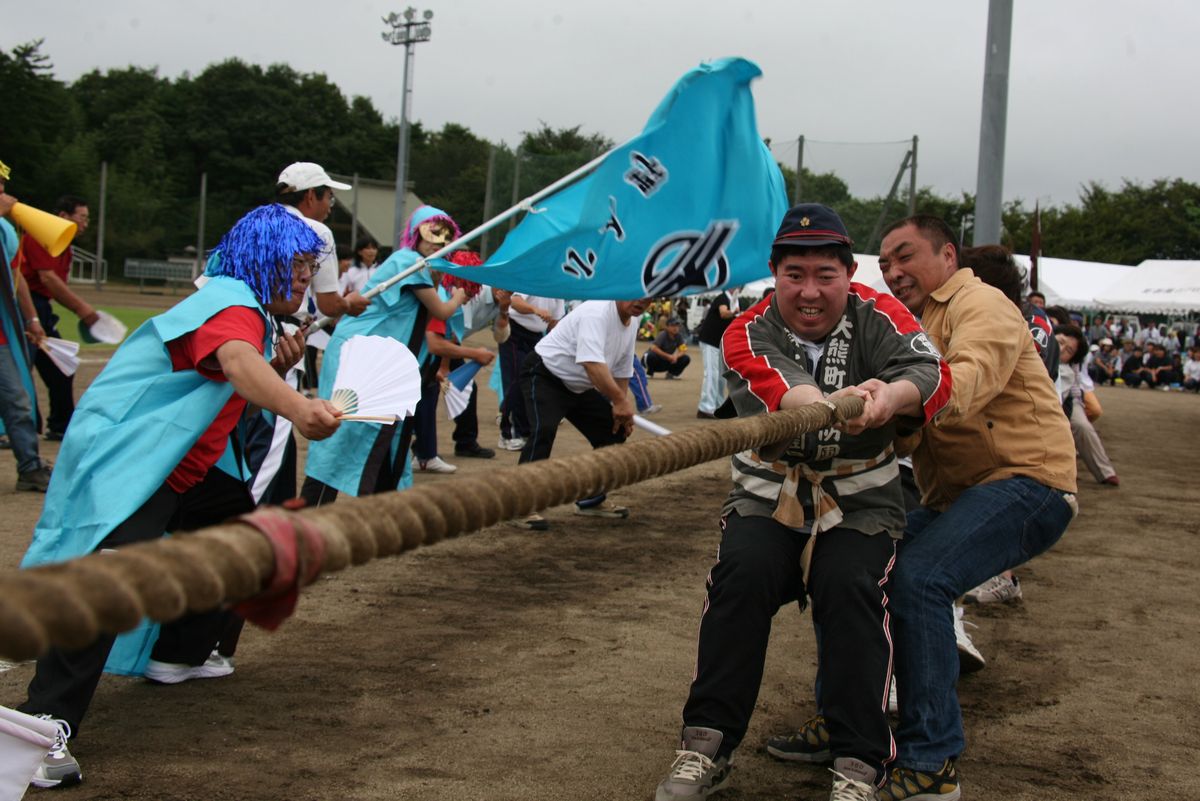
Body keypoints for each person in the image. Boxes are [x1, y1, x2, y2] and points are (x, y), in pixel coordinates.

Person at [16, 203, 343, 788]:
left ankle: (178, 652)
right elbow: (235, 361)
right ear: (263, 261)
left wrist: (274, 361)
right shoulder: (232, 306)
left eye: (306, 266)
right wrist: (299, 407)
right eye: (295, 265)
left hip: (182, 467)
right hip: (134, 464)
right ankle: (42, 730)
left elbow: (227, 367)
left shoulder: (239, 304)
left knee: (243, 538)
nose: (303, 278)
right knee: (100, 585)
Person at [655, 204, 951, 801]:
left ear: (849, 273)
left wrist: (890, 396)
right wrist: (829, 401)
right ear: (774, 273)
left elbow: (931, 370)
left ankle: (859, 761)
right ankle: (705, 743)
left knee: (851, 591)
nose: (810, 291)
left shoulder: (881, 314)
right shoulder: (746, 327)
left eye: (825, 275)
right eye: (795, 274)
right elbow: (780, 384)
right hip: (770, 495)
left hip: (863, 499)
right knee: (740, 577)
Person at [873, 216, 1077, 800]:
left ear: (947, 253)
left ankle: (931, 764)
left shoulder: (980, 301)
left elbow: (968, 378)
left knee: (920, 578)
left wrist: (898, 400)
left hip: (1028, 480)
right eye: (884, 263)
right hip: (965, 495)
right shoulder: (911, 325)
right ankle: (849, 717)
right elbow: (912, 432)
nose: (893, 271)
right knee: (858, 560)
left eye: (904, 256)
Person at [301, 206, 466, 506]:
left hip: (384, 366)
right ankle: (312, 510)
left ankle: (385, 509)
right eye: (431, 233)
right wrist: (461, 292)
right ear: (415, 234)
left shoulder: (425, 268)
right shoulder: (409, 261)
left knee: (388, 433)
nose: (438, 242)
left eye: (445, 236)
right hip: (361, 359)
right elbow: (442, 310)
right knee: (345, 432)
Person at [515, 297, 650, 530]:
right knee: (543, 430)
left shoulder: (633, 322)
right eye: (635, 294)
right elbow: (591, 363)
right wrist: (618, 400)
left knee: (613, 433)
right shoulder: (595, 311)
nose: (641, 301)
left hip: (580, 386)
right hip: (545, 373)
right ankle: (518, 505)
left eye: (648, 297)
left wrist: (621, 409)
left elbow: (622, 368)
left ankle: (590, 500)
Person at [17, 194, 92, 440]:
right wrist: (82, 309)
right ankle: (16, 428)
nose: (85, 223)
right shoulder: (40, 235)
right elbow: (47, 278)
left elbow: (53, 285)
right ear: (63, 217)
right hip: (25, 307)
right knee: (17, 370)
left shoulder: (64, 244)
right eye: (81, 217)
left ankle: (59, 426)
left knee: (61, 367)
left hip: (42, 308)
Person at [0, 161, 52, 490]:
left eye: (2, 188)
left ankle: (30, 467)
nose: (5, 196)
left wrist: (32, 319)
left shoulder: (5, 231)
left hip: (1, 337)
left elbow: (16, 280)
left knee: (18, 400)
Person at [275, 162, 370, 320]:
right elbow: (329, 305)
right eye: (329, 198)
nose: (329, 208)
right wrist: (349, 303)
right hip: (286, 332)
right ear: (311, 196)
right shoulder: (317, 231)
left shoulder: (254, 225)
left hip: (249, 323)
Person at [497, 293, 565, 451]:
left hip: (536, 337)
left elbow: (554, 321)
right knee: (515, 382)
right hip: (514, 332)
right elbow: (514, 301)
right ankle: (508, 434)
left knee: (532, 383)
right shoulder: (535, 276)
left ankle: (525, 431)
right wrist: (535, 309)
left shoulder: (557, 288)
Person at [1054, 324, 1119, 487]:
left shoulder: (1068, 368)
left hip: (1068, 398)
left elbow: (1070, 391)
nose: (1062, 350)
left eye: (1068, 350)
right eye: (1060, 343)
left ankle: (1105, 472)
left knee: (1082, 425)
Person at [695, 287, 737, 418]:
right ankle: (705, 408)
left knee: (720, 376)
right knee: (712, 374)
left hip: (718, 343)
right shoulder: (722, 298)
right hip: (710, 340)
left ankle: (718, 405)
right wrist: (735, 312)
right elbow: (723, 313)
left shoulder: (733, 300)